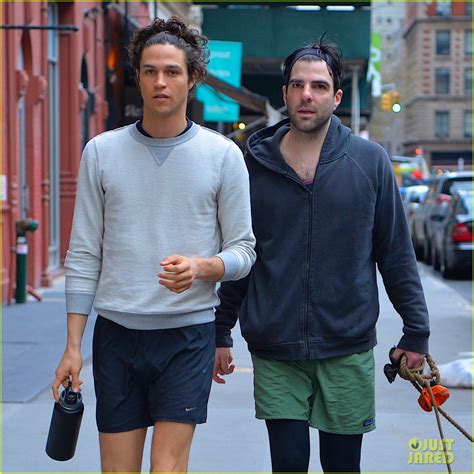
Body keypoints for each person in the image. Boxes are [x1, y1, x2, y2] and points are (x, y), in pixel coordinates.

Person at [213, 38, 430, 473]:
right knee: (288, 464)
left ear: (337, 96)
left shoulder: (370, 163)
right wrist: (221, 331)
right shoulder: (251, 165)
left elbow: (395, 254)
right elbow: (242, 254)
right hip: (276, 348)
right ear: (286, 93)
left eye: (318, 85)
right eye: (297, 85)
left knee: (342, 466)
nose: (306, 95)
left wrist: (416, 332)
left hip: (346, 347)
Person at [52, 17, 256, 473]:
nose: (160, 82)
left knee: (166, 468)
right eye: (149, 71)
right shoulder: (100, 152)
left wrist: (203, 267)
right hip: (117, 336)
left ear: (193, 78)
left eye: (172, 71)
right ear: (138, 76)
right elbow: (84, 253)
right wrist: (72, 345)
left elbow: (244, 251)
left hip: (187, 336)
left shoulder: (223, 156)